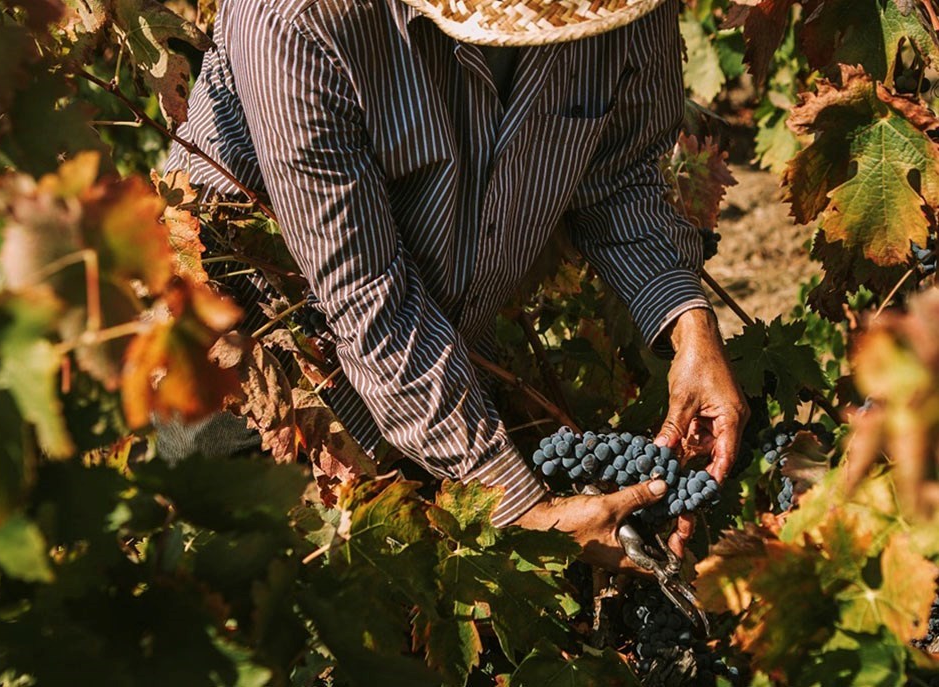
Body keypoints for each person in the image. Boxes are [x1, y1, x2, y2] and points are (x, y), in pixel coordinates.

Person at [166, 0, 748, 570]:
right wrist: (524, 515)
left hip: (443, 375)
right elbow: (370, 296)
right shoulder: (299, 17)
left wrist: (688, 322)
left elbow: (620, 174)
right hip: (248, 370)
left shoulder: (623, 9)